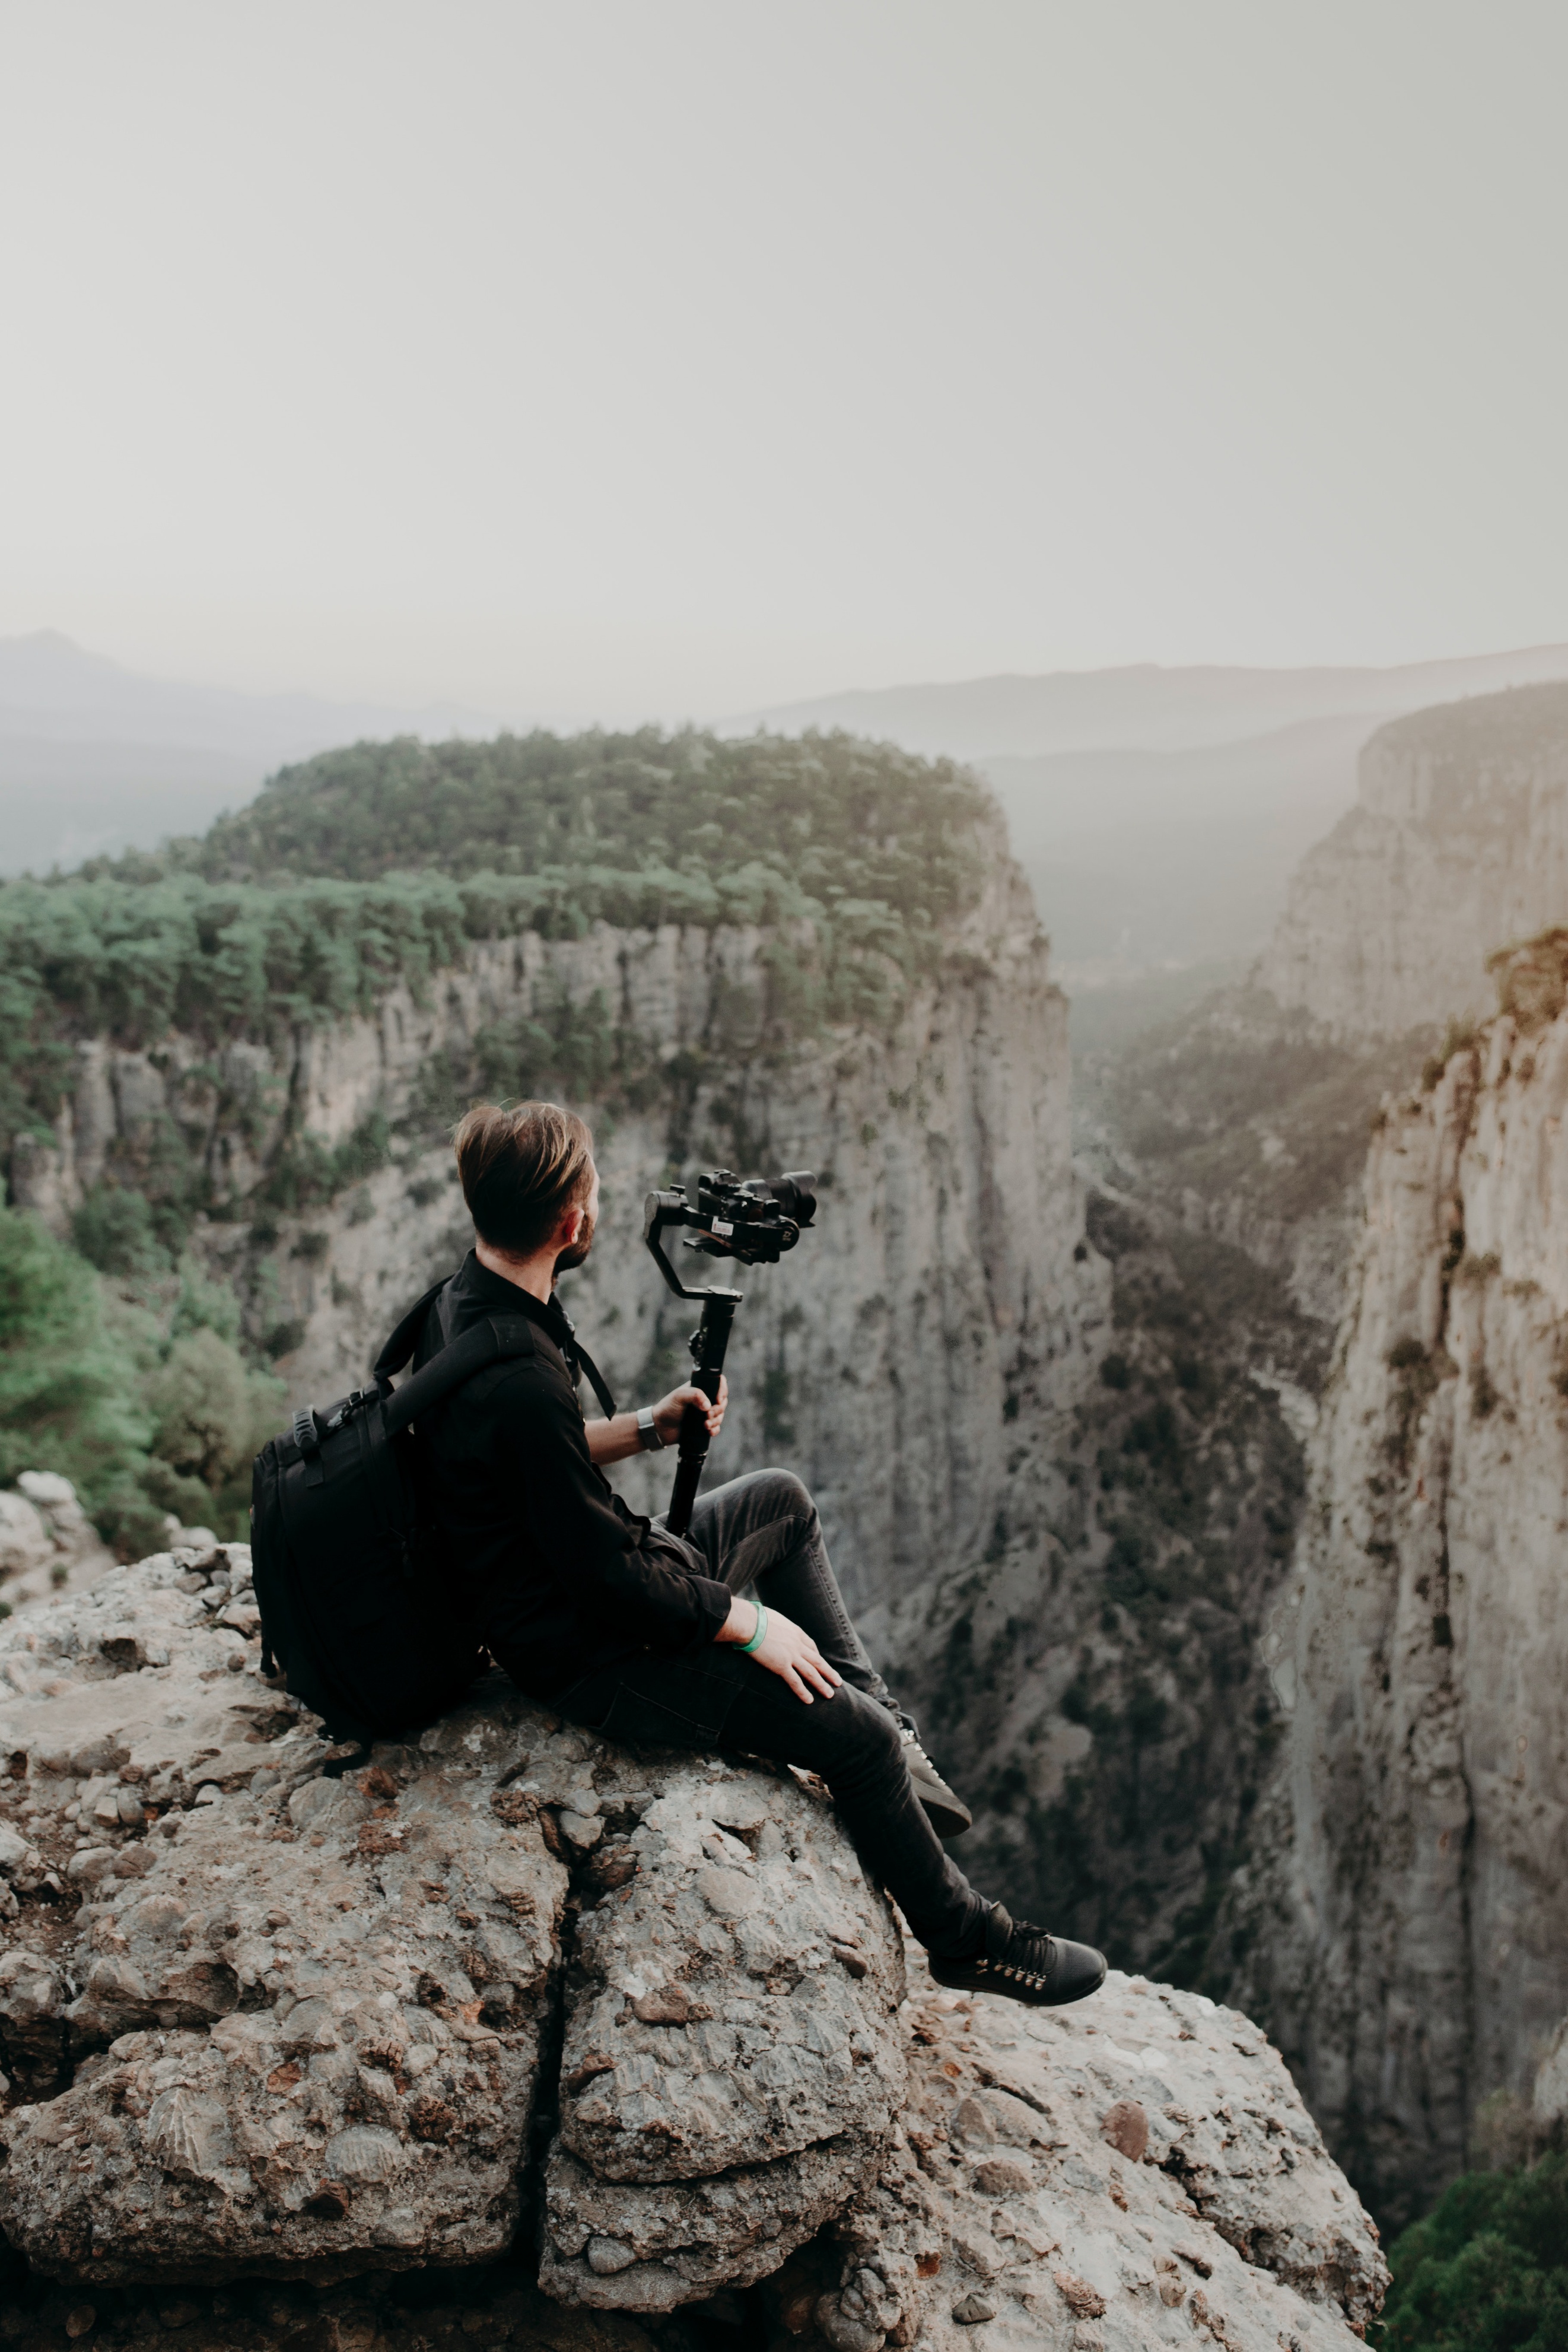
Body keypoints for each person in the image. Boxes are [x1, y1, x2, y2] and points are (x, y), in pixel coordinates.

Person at [414, 1099, 1105, 2009]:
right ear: (571, 1222)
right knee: (848, 1740)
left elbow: (527, 1464)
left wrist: (645, 1430)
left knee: (780, 1500)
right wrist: (749, 1625)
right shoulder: (518, 1379)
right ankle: (968, 1939)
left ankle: (892, 1732)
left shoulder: (465, 1305)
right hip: (586, 1649)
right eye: (593, 1192)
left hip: (576, 1575)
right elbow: (611, 1581)